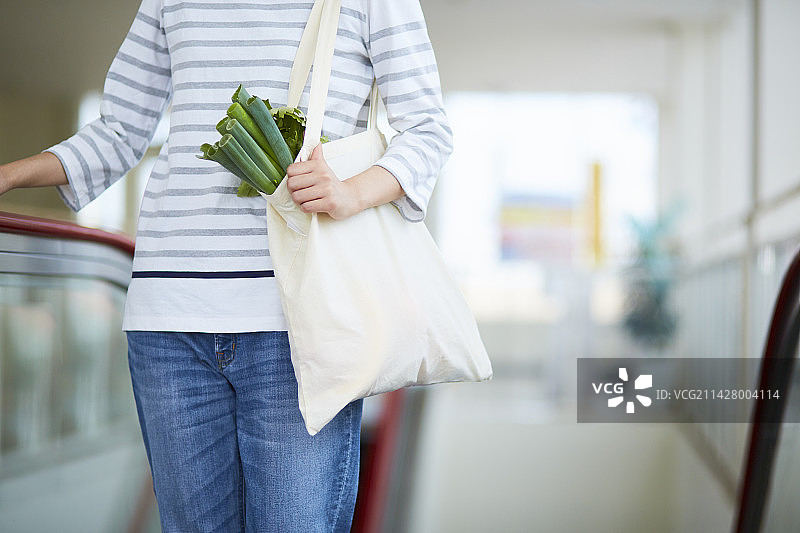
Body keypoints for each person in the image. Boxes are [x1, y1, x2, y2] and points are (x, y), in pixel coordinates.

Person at [0, 0, 452, 531]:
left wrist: (351, 192)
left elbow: (428, 130)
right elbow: (119, 132)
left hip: (301, 323)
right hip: (168, 325)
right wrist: (8, 175)